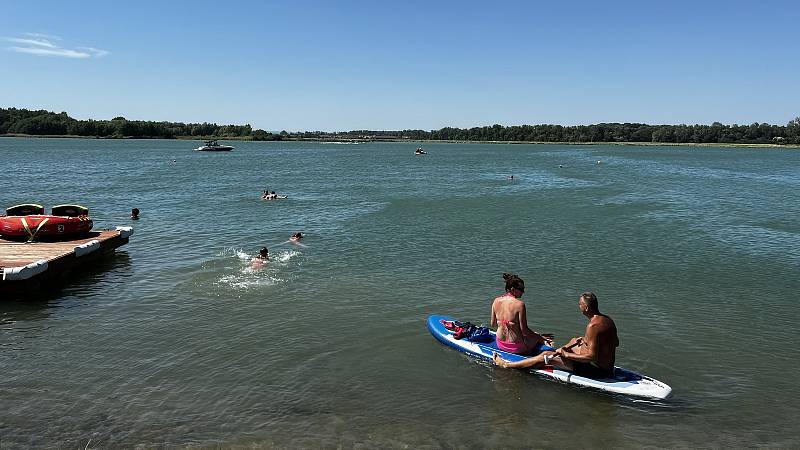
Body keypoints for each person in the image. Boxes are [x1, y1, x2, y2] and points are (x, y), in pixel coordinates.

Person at [493, 292, 619, 378]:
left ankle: (507, 364)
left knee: (545, 356)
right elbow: (615, 343)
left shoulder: (592, 326)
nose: (578, 306)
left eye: (580, 304)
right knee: (575, 340)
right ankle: (558, 353)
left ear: (586, 308)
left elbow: (591, 356)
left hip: (597, 371)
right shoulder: (607, 320)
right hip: (607, 366)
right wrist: (587, 341)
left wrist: (566, 354)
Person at [490, 273, 552, 355]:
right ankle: (549, 351)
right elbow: (525, 331)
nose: (523, 292)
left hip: (500, 344)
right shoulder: (519, 305)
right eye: (521, 289)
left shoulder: (496, 301)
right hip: (517, 348)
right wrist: (540, 337)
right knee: (537, 336)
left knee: (532, 336)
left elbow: (493, 324)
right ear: (512, 289)